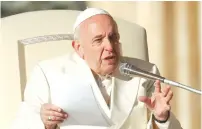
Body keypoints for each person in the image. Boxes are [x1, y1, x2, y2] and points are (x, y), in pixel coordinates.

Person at [11, 8, 182, 129]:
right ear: (78, 48)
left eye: (113, 37)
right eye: (98, 40)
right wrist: (46, 124)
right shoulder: (47, 73)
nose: (110, 46)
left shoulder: (145, 72)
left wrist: (161, 119)